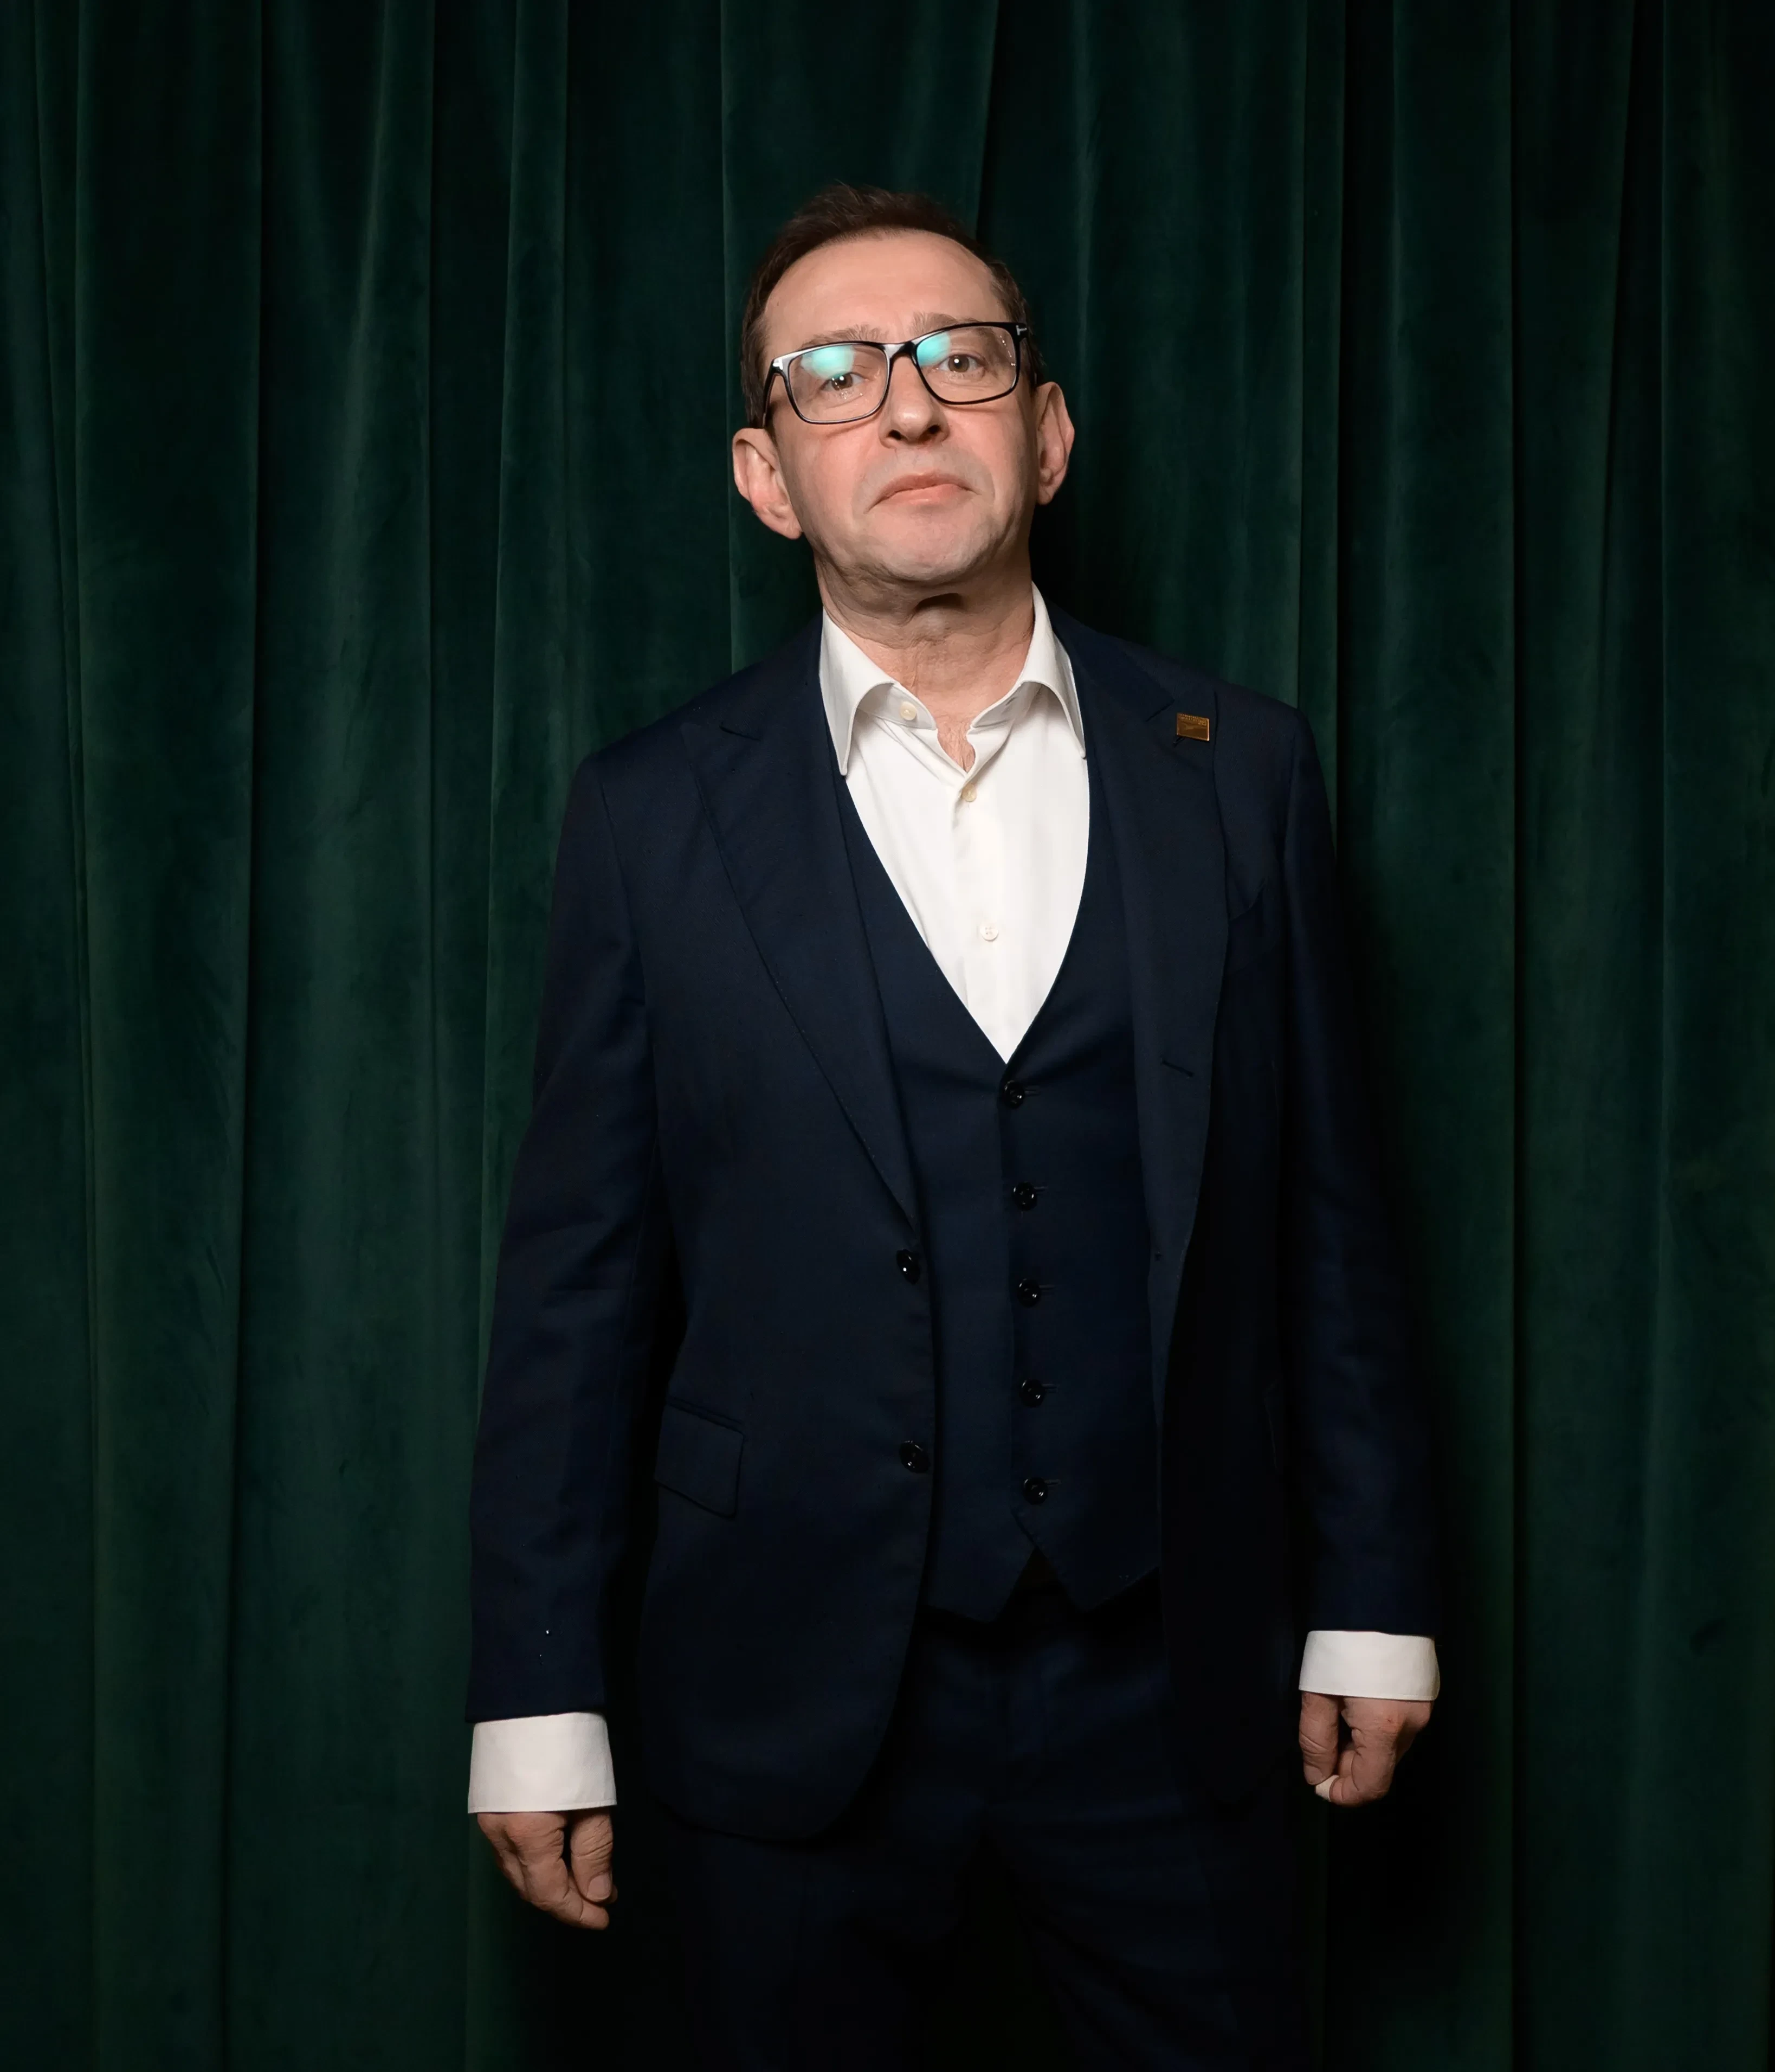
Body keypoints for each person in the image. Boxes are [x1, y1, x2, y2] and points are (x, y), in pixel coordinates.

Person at [464, 183, 1439, 2069]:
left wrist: (1376, 1602)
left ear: (1045, 436)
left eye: (960, 357)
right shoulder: (648, 817)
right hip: (783, 1689)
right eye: (835, 374)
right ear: (767, 476)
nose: (907, 403)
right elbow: (578, 1291)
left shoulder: (1240, 770)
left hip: (1174, 1682)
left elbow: (1333, 1223)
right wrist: (537, 1695)